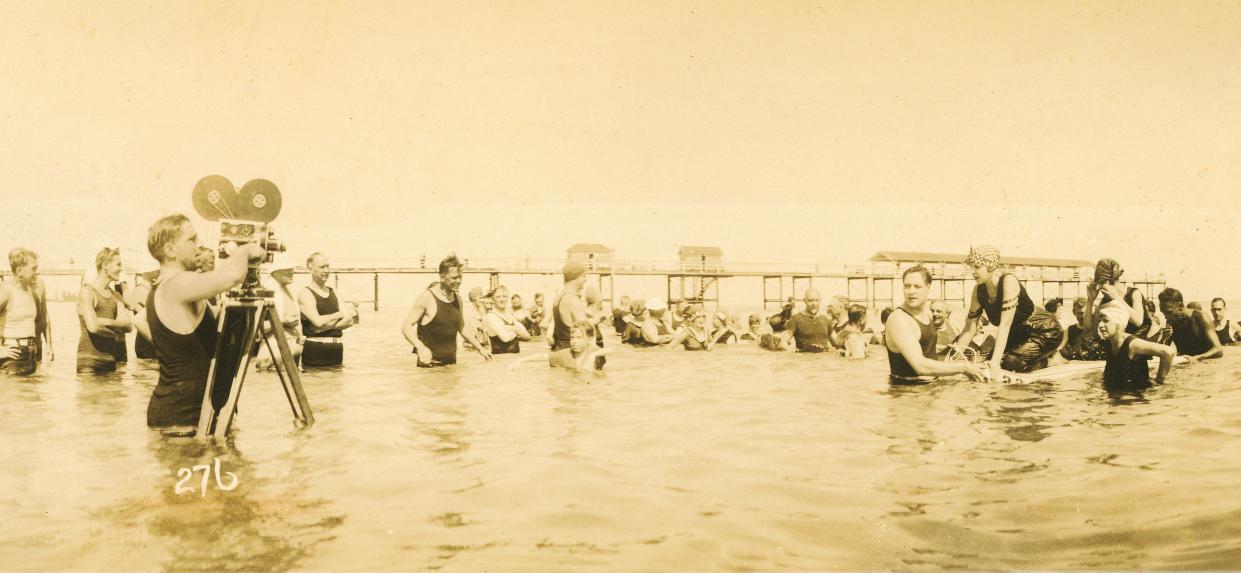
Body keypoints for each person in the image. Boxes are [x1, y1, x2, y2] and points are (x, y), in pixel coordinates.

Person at [143, 214, 266, 428]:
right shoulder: (175, 284)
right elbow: (231, 276)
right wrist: (245, 249)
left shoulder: (171, 287)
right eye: (192, 240)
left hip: (188, 417)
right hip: (183, 422)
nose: (198, 246)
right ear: (171, 250)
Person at [951, 246, 1063, 373]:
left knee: (1010, 362)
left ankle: (1050, 360)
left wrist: (995, 363)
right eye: (971, 267)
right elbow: (969, 329)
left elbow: (1005, 325)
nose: (972, 271)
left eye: (977, 267)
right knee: (987, 361)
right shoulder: (978, 291)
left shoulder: (1008, 281)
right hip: (1019, 333)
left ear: (991, 267)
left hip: (1045, 331)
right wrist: (952, 363)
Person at [887, 266, 984, 383]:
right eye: (907, 286)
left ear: (928, 287)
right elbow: (920, 366)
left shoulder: (928, 313)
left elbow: (928, 350)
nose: (911, 291)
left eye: (917, 286)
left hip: (931, 386)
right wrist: (963, 367)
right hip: (907, 392)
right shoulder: (899, 319)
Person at [402, 255, 491, 366]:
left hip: (451, 365)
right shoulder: (427, 297)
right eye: (454, 278)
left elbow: (462, 327)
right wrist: (420, 347)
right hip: (429, 367)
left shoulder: (458, 299)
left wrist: (480, 349)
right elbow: (406, 327)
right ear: (442, 277)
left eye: (460, 277)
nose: (458, 281)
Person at [77, 247, 133, 374]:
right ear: (105, 265)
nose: (121, 268)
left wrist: (104, 321)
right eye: (118, 264)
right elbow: (93, 328)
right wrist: (115, 333)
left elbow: (129, 326)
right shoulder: (87, 292)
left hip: (110, 361)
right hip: (88, 362)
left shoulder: (117, 296)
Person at [1097, 302, 1177, 389]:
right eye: (1099, 321)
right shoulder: (1109, 341)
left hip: (1135, 397)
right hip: (1117, 393)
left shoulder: (1132, 344)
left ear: (1118, 322)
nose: (1100, 325)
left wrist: (1159, 382)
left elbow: (1168, 352)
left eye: (1105, 320)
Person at [298, 252, 359, 367]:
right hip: (316, 348)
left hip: (336, 348)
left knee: (335, 384)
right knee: (315, 383)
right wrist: (338, 314)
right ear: (310, 269)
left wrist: (321, 329)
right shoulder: (305, 293)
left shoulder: (334, 292)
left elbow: (350, 321)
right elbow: (318, 322)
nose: (326, 270)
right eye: (322, 267)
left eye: (328, 266)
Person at [0, 247, 52, 376]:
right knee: (18, 395)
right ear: (19, 271)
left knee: (29, 395)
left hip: (31, 356)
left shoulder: (32, 292)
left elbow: (42, 320)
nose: (37, 272)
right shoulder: (6, 291)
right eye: (33, 268)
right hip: (12, 357)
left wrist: (48, 345)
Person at [254, 254, 304, 371]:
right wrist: (281, 322)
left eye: (292, 270)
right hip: (273, 351)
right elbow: (255, 327)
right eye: (287, 270)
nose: (292, 273)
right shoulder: (266, 290)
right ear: (275, 271)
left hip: (289, 351)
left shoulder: (287, 289)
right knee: (274, 388)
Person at [1089, 259, 1152, 339]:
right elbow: (1093, 333)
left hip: (1137, 340)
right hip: (1118, 343)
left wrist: (1116, 298)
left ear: (1108, 281)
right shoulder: (1105, 300)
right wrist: (1090, 300)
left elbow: (1138, 321)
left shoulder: (1134, 293)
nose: (1099, 287)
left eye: (1101, 282)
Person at [509, 323, 612, 372]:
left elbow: (613, 350)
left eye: (579, 338)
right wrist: (522, 360)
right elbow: (543, 356)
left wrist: (594, 354)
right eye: (572, 338)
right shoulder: (566, 354)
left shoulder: (592, 351)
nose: (574, 341)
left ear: (589, 339)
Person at [1157, 288, 1223, 360]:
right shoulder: (1171, 320)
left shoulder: (1200, 317)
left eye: (1169, 312)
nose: (1166, 317)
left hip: (1205, 364)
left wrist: (1194, 359)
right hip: (1186, 365)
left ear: (1181, 306)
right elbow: (1164, 351)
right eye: (1163, 313)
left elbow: (1218, 350)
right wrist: (1164, 338)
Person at [550, 261, 593, 355]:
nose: (585, 280)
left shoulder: (559, 297)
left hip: (560, 352)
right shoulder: (572, 300)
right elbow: (586, 333)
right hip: (572, 355)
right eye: (583, 276)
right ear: (575, 277)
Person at [484, 285, 531, 354]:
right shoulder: (491, 316)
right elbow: (505, 338)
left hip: (515, 360)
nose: (502, 299)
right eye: (498, 297)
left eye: (504, 296)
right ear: (492, 299)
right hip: (500, 361)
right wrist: (517, 330)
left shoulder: (510, 316)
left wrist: (511, 328)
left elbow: (527, 336)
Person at [783, 288, 833, 352]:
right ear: (805, 301)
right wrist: (789, 349)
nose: (814, 303)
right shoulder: (795, 319)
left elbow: (836, 343)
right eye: (810, 300)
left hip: (823, 358)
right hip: (804, 359)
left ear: (820, 301)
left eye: (816, 300)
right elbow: (784, 341)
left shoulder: (825, 319)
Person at [1059, 296, 1108, 361]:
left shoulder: (1098, 328)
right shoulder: (1069, 330)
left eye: (1086, 313)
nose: (1083, 316)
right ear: (1074, 312)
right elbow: (1061, 347)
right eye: (1080, 313)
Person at [130, 267, 160, 360]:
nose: (160, 271)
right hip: (146, 342)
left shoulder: (151, 288)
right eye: (157, 269)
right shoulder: (142, 289)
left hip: (148, 339)